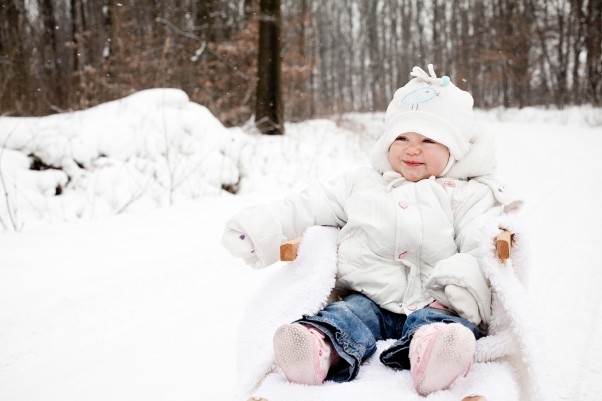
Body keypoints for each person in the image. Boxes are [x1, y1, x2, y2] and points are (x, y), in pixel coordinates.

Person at [221, 65, 520, 396]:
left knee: (442, 329)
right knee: (343, 317)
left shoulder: (469, 194)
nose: (412, 149)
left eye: (428, 140)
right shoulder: (362, 184)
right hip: (368, 296)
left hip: (437, 302)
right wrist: (258, 229)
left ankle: (434, 356)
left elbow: (476, 247)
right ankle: (317, 349)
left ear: (455, 148)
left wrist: (453, 296)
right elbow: (309, 204)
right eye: (402, 137)